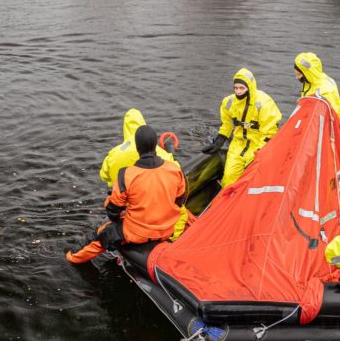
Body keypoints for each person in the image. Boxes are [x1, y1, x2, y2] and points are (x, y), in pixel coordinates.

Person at [67, 125, 187, 264]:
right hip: (167, 230)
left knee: (102, 235)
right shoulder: (175, 170)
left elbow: (112, 210)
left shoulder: (126, 175)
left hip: (137, 233)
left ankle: (72, 258)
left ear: (137, 148)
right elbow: (180, 201)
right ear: (156, 145)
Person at [200, 67, 281, 187]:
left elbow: (269, 133)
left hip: (257, 145)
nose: (238, 91)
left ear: (250, 88)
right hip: (238, 145)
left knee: (251, 180)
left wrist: (258, 155)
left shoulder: (264, 103)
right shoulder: (228, 102)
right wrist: (219, 141)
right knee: (228, 179)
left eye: (242, 88)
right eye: (235, 88)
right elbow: (227, 125)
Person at [99, 109, 175, 188]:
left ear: (125, 127)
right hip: (147, 195)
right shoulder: (157, 151)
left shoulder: (114, 153)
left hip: (119, 196)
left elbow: (104, 176)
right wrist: (169, 152)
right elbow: (176, 169)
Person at [294, 52, 340, 118]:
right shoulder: (310, 81)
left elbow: (329, 118)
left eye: (299, 74)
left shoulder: (324, 91)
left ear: (308, 73)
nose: (297, 77)